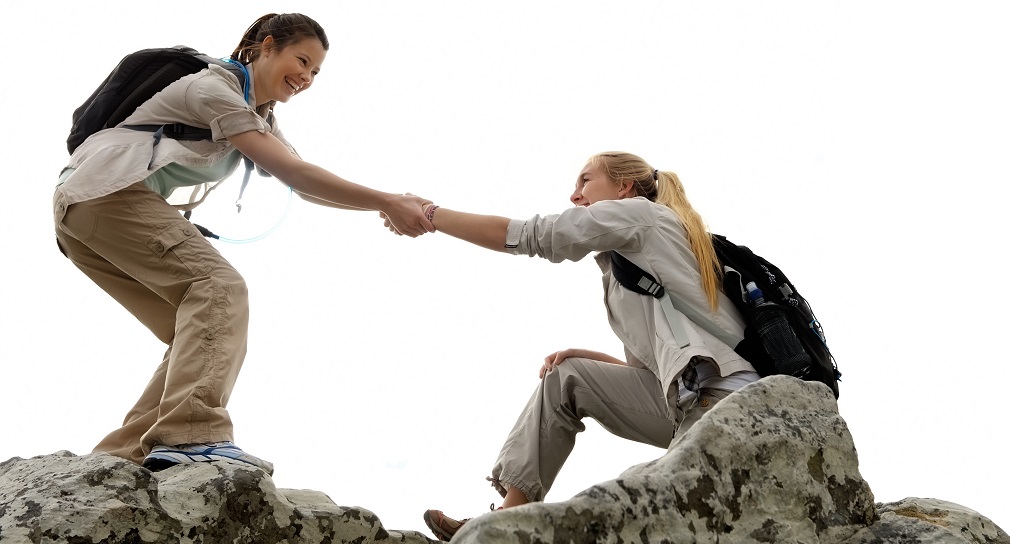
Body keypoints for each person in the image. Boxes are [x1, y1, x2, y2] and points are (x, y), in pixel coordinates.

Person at [53, 13, 432, 476]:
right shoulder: (214, 89)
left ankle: (124, 457)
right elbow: (296, 174)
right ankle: (192, 435)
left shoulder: (257, 115)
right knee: (219, 288)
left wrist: (384, 205)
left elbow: (304, 182)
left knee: (193, 328)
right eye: (302, 60)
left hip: (84, 210)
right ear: (267, 46)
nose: (307, 77)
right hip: (105, 196)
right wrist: (387, 200)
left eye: (316, 72)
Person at [399, 152, 761, 541]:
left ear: (623, 186)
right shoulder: (629, 261)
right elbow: (651, 375)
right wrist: (589, 358)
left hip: (719, 397)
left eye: (585, 181)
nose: (575, 196)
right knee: (566, 377)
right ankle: (504, 520)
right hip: (690, 397)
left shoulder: (641, 215)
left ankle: (498, 531)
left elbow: (534, 235)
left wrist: (430, 213)